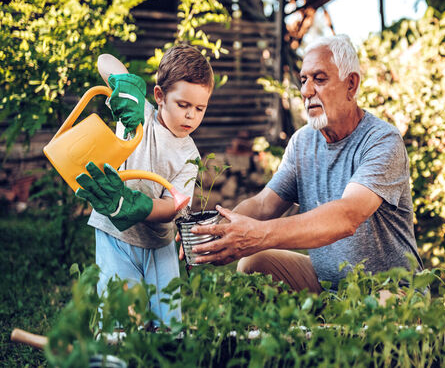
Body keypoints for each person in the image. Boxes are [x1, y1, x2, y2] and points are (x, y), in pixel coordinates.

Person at [184, 35, 423, 295]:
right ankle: (297, 329)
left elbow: (347, 217)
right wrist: (213, 232)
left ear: (351, 85)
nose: (306, 91)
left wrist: (260, 234)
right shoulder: (303, 142)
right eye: (303, 80)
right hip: (327, 284)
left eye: (319, 79)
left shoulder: (381, 139)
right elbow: (265, 204)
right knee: (254, 264)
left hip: (389, 289)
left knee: (383, 306)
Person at [74, 45, 213, 327]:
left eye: (200, 108)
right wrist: (127, 88)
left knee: (167, 319)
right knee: (120, 315)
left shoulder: (189, 155)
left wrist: (136, 205)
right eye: (183, 105)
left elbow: (174, 205)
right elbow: (105, 61)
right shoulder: (138, 115)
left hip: (158, 245)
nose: (191, 116)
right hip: (115, 235)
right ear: (160, 96)